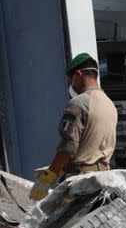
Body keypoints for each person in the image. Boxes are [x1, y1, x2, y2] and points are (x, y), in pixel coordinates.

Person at [30, 53, 118, 201]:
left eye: (71, 80)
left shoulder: (79, 103)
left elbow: (68, 147)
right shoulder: (109, 103)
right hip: (103, 179)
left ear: (78, 74)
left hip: (81, 184)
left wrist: (49, 176)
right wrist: (62, 168)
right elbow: (91, 146)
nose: (72, 84)